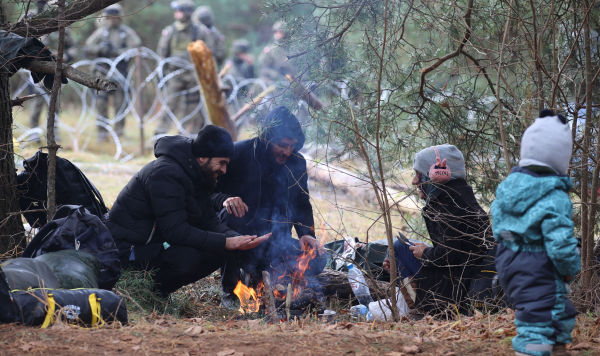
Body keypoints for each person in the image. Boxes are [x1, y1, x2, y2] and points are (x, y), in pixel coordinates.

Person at [106, 125, 270, 296]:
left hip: (155, 245)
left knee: (219, 249)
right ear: (203, 157)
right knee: (191, 257)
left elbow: (209, 221)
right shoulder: (165, 174)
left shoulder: (197, 175)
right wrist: (225, 242)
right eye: (222, 163)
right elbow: (175, 231)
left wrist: (238, 239)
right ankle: (148, 293)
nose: (224, 170)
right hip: (128, 251)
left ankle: (156, 292)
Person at [214, 106, 326, 307]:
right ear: (267, 138)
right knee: (232, 215)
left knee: (316, 260)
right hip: (239, 239)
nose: (287, 152)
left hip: (275, 241)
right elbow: (209, 193)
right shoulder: (238, 154)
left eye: (292, 146)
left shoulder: (296, 162)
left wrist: (306, 233)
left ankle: (266, 281)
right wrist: (225, 199)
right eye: (282, 145)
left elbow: (301, 201)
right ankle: (230, 291)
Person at [492, 110, 580, 356]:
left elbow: (499, 225)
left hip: (508, 260)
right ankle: (532, 351)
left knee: (556, 310)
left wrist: (512, 245)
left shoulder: (508, 188)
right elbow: (560, 245)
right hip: (539, 263)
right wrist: (571, 265)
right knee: (538, 319)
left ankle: (556, 347)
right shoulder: (555, 196)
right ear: (561, 159)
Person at [384, 144, 492, 316]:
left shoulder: (449, 203)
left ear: (436, 174)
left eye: (419, 175)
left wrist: (426, 253)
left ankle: (423, 311)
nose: (414, 181)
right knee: (399, 249)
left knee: (400, 248)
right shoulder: (456, 196)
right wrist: (423, 251)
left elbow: (454, 255)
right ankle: (415, 305)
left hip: (456, 288)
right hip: (454, 277)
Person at [85, 4, 141, 141]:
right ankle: (102, 134)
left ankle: (119, 132)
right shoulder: (101, 32)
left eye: (114, 17)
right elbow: (88, 47)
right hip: (102, 73)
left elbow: (136, 46)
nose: (112, 20)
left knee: (120, 103)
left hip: (119, 74)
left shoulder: (125, 32)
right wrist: (101, 49)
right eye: (109, 17)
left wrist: (117, 52)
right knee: (101, 103)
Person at [24, 0, 77, 144]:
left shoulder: (60, 20)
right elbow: (19, 38)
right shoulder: (29, 18)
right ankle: (33, 133)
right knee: (36, 102)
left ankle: (53, 133)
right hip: (35, 67)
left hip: (55, 68)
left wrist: (63, 55)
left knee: (54, 103)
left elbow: (73, 47)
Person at [156, 0, 211, 136]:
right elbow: (162, 53)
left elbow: (207, 54)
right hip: (174, 75)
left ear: (188, 12)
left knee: (192, 109)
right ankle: (159, 136)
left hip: (193, 76)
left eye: (180, 11)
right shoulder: (171, 31)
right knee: (169, 106)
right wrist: (162, 74)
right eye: (176, 11)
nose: (177, 14)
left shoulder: (199, 31)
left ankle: (185, 137)